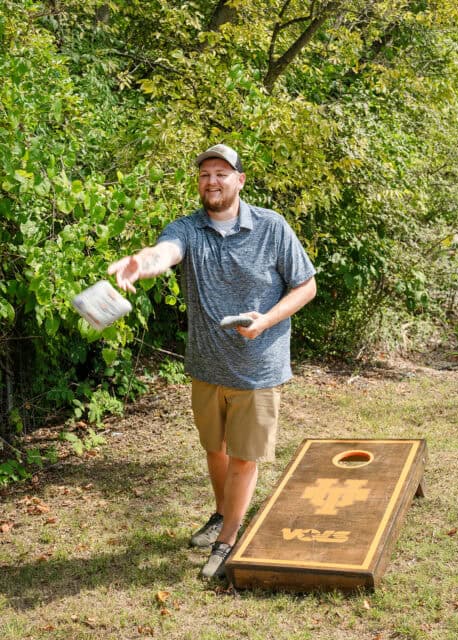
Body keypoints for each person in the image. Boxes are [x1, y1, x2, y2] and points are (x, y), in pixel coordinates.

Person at [108, 144, 317, 579]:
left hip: (257, 366)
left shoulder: (271, 227)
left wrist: (266, 321)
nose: (212, 181)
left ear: (240, 180)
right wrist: (139, 263)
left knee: (244, 457)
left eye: (222, 173)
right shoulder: (188, 229)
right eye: (205, 174)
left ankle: (228, 541)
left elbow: (306, 287)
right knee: (216, 450)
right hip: (206, 366)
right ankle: (222, 514)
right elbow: (164, 252)